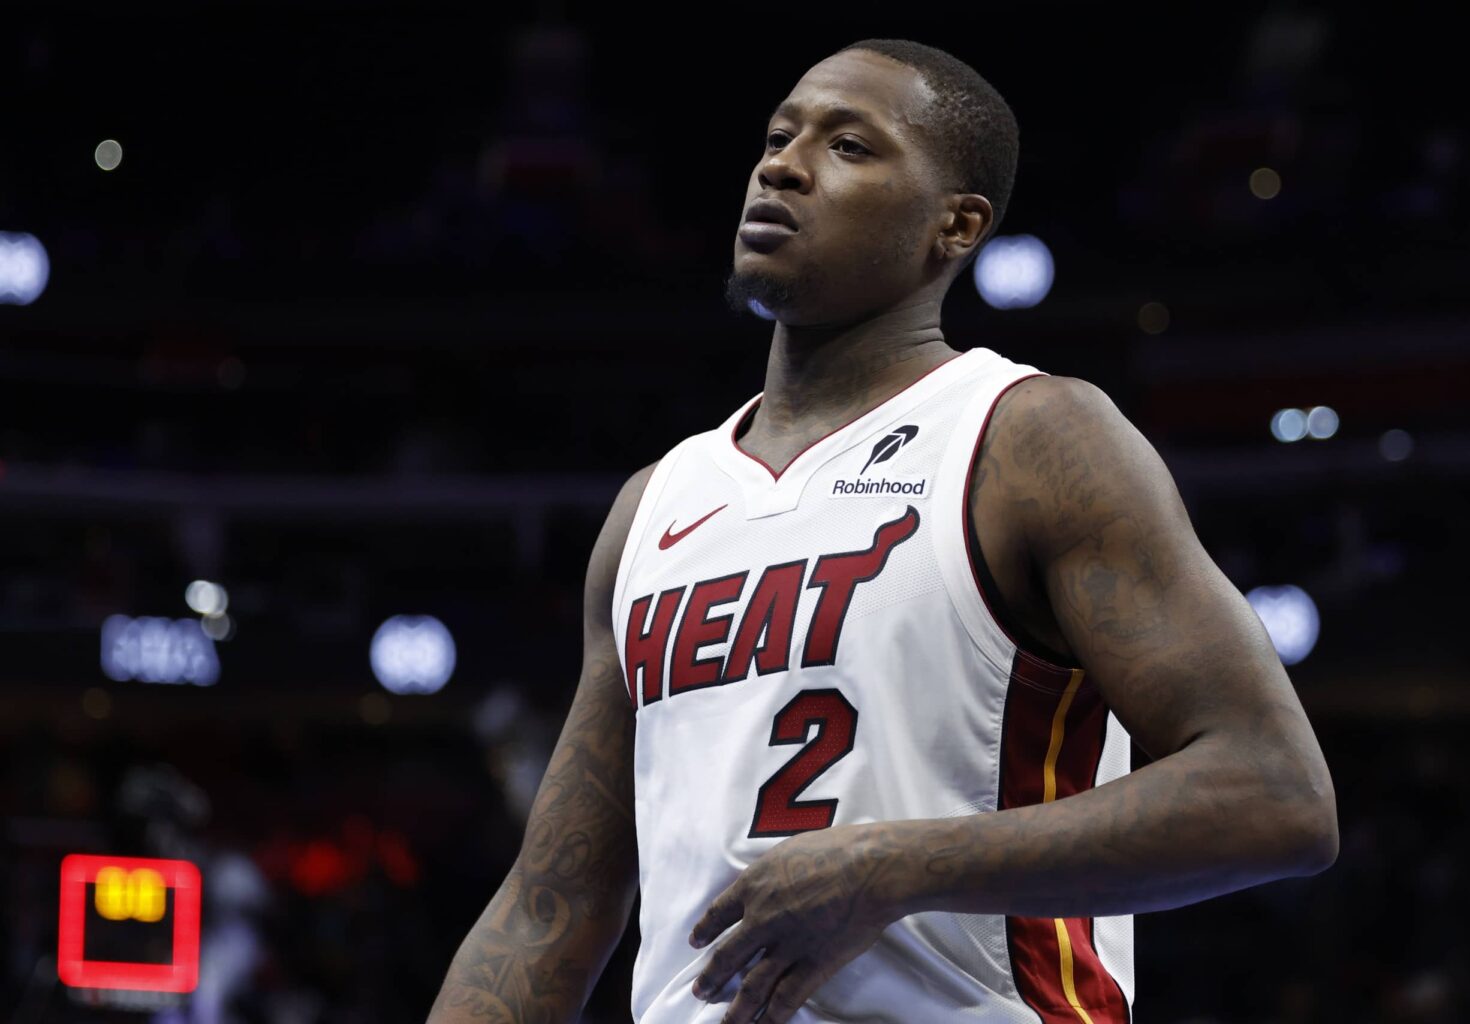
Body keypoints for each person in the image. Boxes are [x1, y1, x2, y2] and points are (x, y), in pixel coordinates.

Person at [427, 38, 1338, 1024]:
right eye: (778, 137)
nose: (782, 163)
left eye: (850, 145)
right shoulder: (655, 502)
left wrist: (894, 863)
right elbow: (550, 906)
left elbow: (1274, 792)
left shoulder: (1028, 437)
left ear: (956, 224)